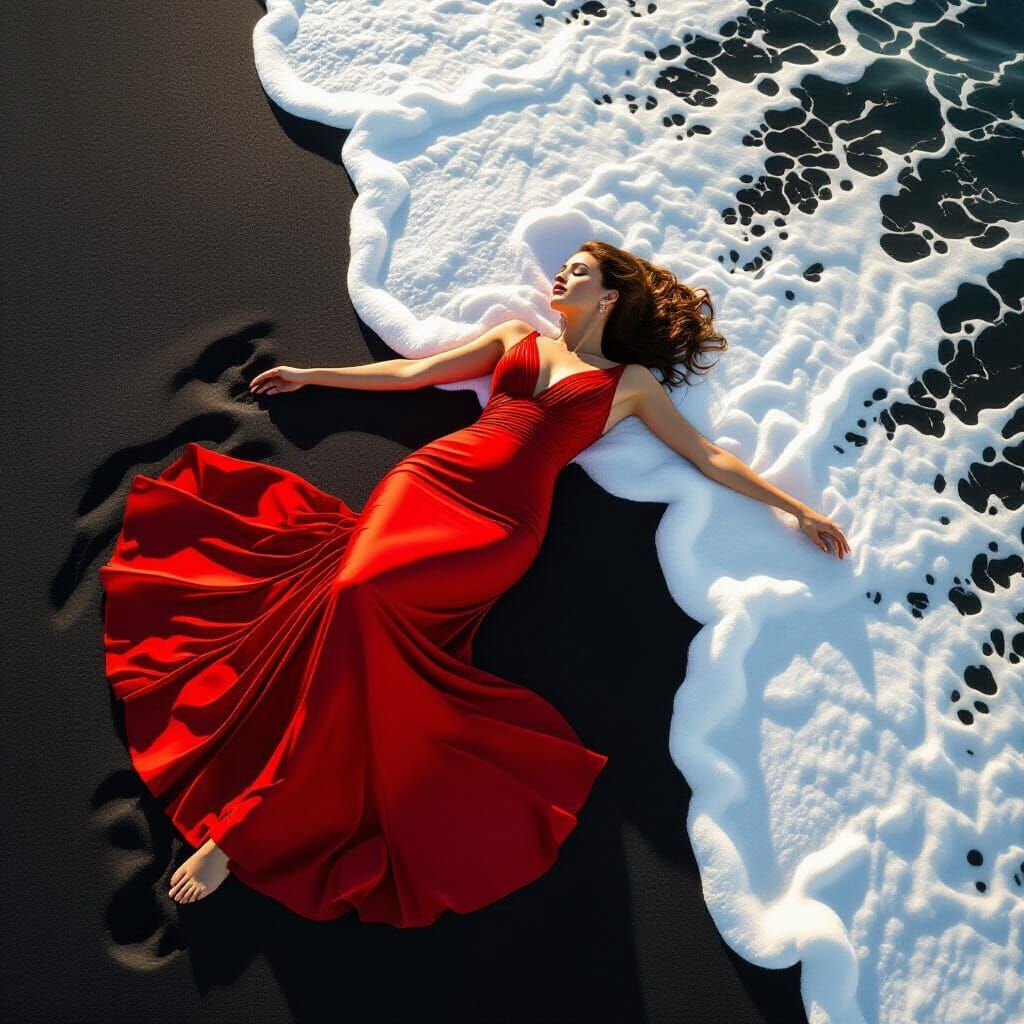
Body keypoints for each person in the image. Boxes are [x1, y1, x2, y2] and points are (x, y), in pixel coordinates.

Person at [99, 240, 850, 924]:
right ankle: (254, 813)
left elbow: (707, 457)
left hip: (501, 530)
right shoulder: (517, 341)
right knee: (354, 595)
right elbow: (418, 375)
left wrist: (794, 508)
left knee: (359, 606)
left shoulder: (631, 385)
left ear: (612, 295)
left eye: (580, 270)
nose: (561, 275)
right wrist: (314, 375)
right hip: (429, 481)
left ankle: (246, 825)